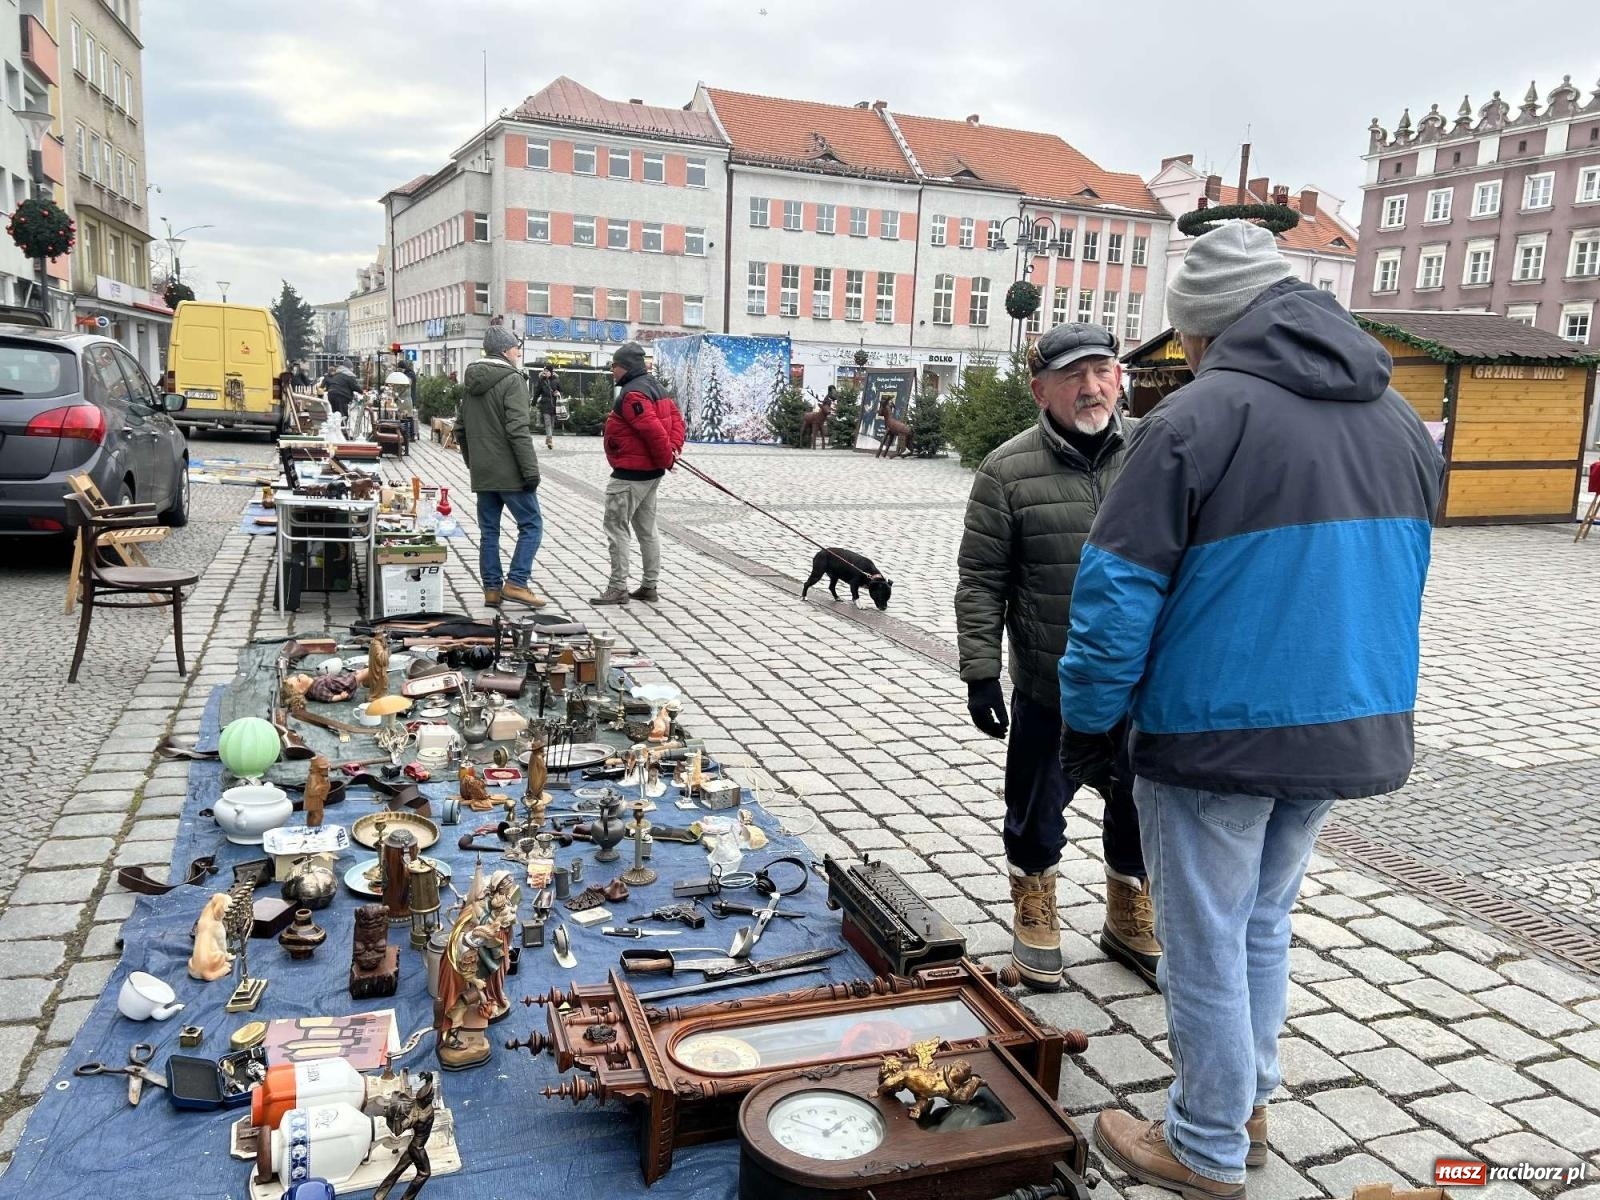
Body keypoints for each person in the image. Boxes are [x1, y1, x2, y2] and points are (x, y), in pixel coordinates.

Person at [1059, 221, 1442, 1197]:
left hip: (1215, 728)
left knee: (1203, 937)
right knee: (1262, 922)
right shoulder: (1398, 418)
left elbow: (1114, 596)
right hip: (1344, 718)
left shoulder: (1196, 418)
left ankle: (1204, 1142)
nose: (1185, 355)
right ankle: (1247, 1102)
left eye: (1187, 337)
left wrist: (1089, 722)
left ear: (1209, 328)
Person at [955, 323, 1156, 993]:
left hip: (1142, 684)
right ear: (1041, 390)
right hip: (1050, 683)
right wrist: (980, 671)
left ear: (1120, 378)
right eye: (1073, 376)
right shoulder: (1006, 470)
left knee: (1137, 801)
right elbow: (981, 579)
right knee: (1038, 804)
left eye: (1102, 370)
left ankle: (1129, 911)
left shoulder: (1157, 457)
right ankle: (1035, 908)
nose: (1091, 387)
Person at [456, 326, 546, 609]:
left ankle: (492, 590)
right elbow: (518, 429)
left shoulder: (471, 383)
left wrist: (475, 463)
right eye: (516, 348)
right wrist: (530, 471)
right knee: (531, 525)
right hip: (510, 472)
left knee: (489, 531)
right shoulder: (513, 380)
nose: (519, 352)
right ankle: (517, 582)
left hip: (484, 472)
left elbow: (459, 428)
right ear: (506, 351)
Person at [590, 342, 685, 606]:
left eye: (614, 366)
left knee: (616, 528)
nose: (612, 371)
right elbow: (677, 421)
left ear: (626, 367)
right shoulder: (656, 387)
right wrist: (674, 449)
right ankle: (649, 585)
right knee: (647, 529)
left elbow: (653, 430)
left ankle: (618, 587)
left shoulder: (633, 394)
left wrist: (668, 456)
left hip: (630, 475)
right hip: (650, 473)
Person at [533, 364, 562, 450]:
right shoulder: (541, 381)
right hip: (545, 404)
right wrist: (533, 402)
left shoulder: (556, 381)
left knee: (552, 424)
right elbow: (537, 392)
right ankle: (549, 441)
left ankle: (548, 439)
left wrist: (558, 393)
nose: (545, 372)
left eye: (547, 371)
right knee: (547, 422)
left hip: (554, 405)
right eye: (544, 371)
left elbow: (561, 390)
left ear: (551, 372)